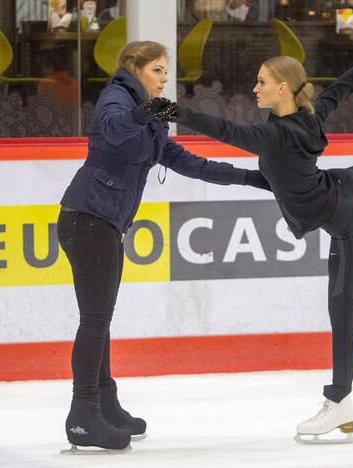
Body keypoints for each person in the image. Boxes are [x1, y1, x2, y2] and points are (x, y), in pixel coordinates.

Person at [148, 24, 353, 443]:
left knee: (341, 310)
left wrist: (168, 110)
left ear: (283, 87)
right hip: (350, 183)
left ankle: (340, 401)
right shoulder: (310, 114)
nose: (255, 88)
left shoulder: (272, 135)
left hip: (348, 217)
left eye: (262, 82)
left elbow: (225, 131)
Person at [57, 40, 268, 453]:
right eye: (157, 69)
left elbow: (189, 161)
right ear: (134, 68)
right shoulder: (117, 100)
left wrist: (250, 178)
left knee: (102, 320)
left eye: (166, 70)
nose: (165, 77)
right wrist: (147, 110)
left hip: (105, 224)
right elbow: (115, 128)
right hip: (87, 219)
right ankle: (82, 416)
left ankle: (105, 403)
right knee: (95, 321)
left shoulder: (152, 115)